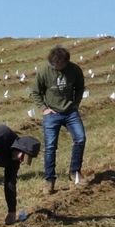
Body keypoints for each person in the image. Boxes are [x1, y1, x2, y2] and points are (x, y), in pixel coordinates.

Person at [32, 45, 87, 189]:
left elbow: (80, 87)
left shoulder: (74, 70)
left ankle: (75, 172)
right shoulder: (44, 71)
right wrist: (44, 109)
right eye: (53, 64)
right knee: (50, 147)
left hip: (70, 112)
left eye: (59, 64)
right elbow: (35, 92)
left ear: (65, 62)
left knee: (80, 138)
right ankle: (49, 180)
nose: (56, 67)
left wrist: (75, 104)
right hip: (52, 114)